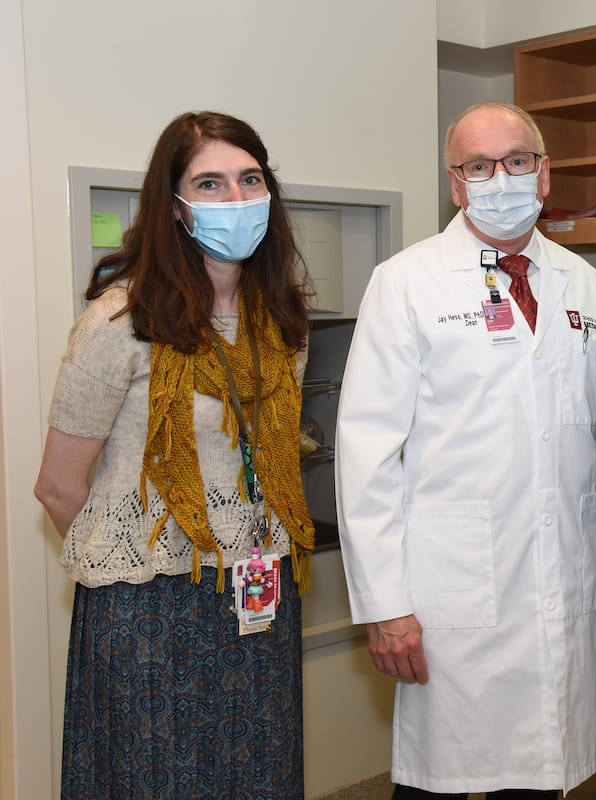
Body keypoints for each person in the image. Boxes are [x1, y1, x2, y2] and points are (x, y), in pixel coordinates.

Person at [335, 101, 596, 799]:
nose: (502, 178)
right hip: (450, 595)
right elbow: (366, 450)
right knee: (439, 778)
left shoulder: (586, 285)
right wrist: (385, 604)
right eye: (479, 166)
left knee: (541, 779)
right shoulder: (406, 282)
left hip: (566, 582)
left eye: (517, 160)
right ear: (456, 184)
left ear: (545, 173)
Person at [34, 111, 316, 799]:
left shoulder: (281, 322)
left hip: (258, 593)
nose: (236, 199)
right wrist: (143, 556)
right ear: (175, 206)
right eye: (210, 184)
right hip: (147, 611)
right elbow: (59, 488)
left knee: (261, 776)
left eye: (250, 179)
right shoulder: (118, 321)